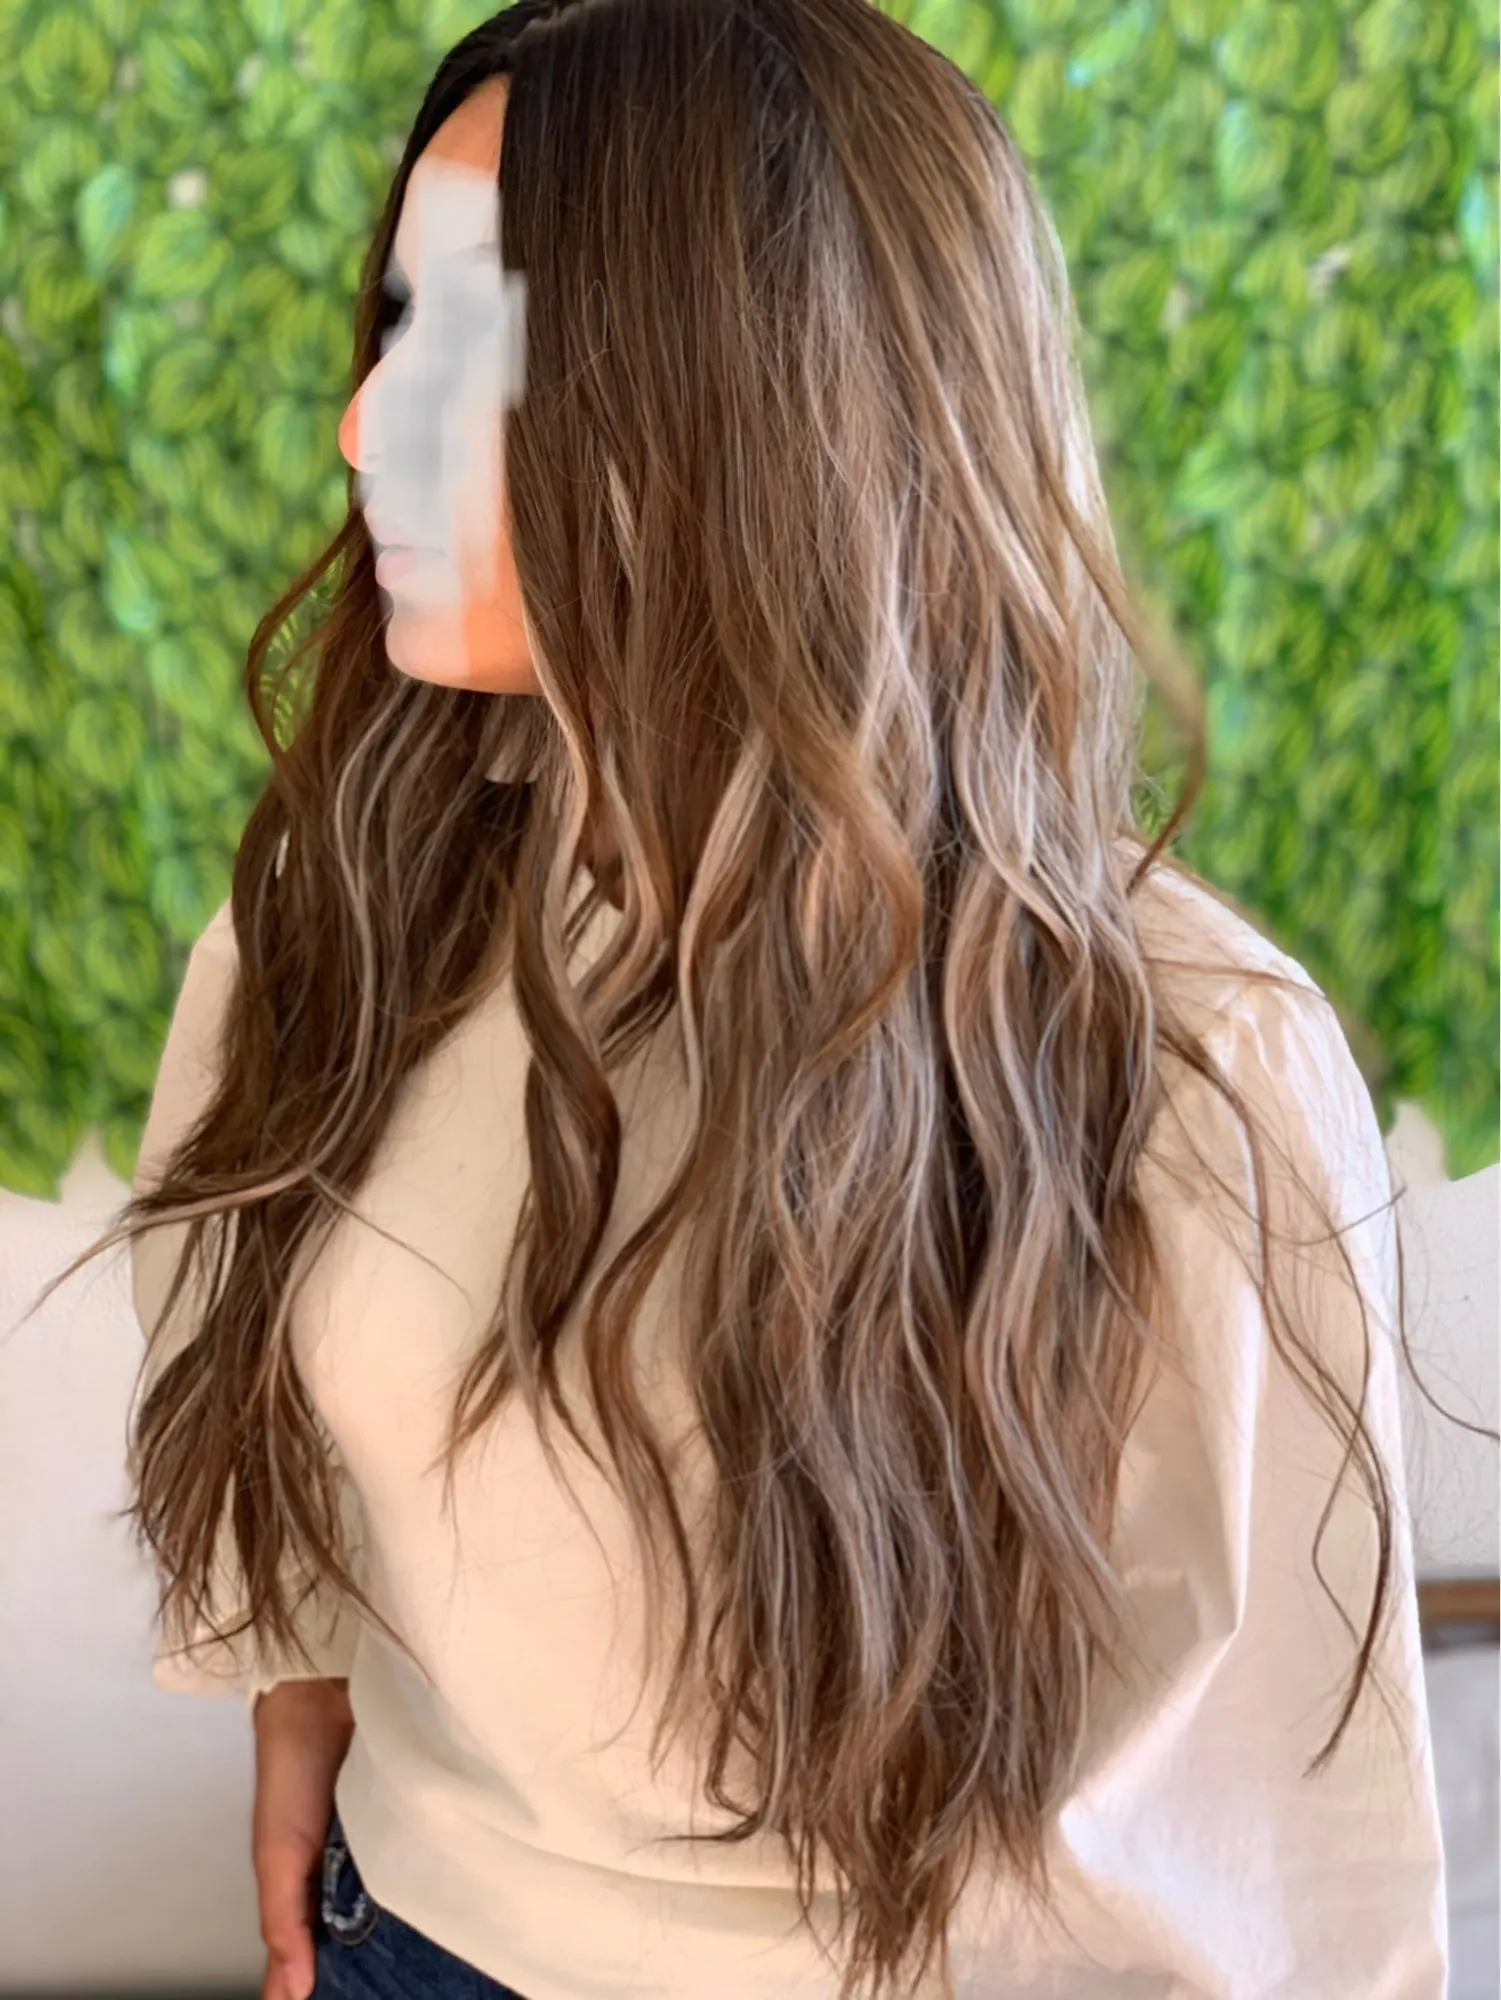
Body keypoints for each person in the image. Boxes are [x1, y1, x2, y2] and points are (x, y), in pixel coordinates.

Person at [35, 2, 1469, 1996]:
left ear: (773, 402)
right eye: (396, 322)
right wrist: (299, 1702)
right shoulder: (357, 898)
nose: (364, 427)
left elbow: (1293, 1835)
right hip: (400, 1936)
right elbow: (253, 1352)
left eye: (479, 343)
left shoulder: (1184, 1061)